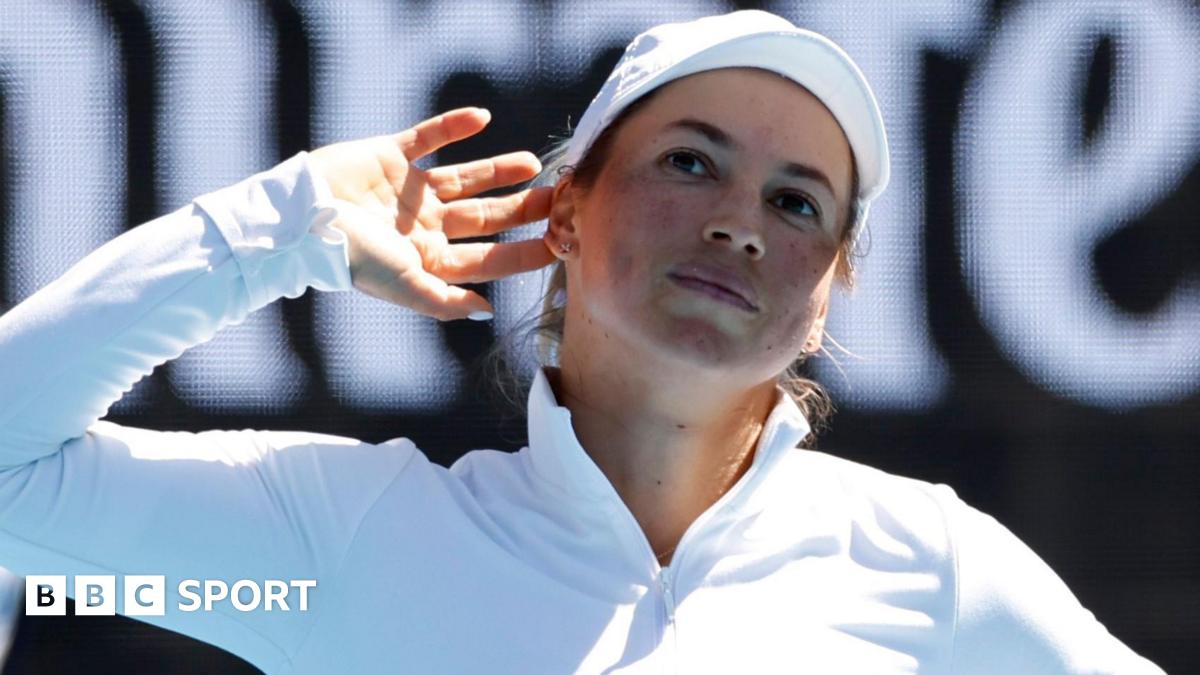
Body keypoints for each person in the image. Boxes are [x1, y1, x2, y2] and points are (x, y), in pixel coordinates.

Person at [0, 9, 1166, 674]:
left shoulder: (934, 563)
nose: (737, 225)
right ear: (566, 210)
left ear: (829, 290)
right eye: (690, 161)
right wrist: (277, 224)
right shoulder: (347, 539)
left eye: (797, 203)